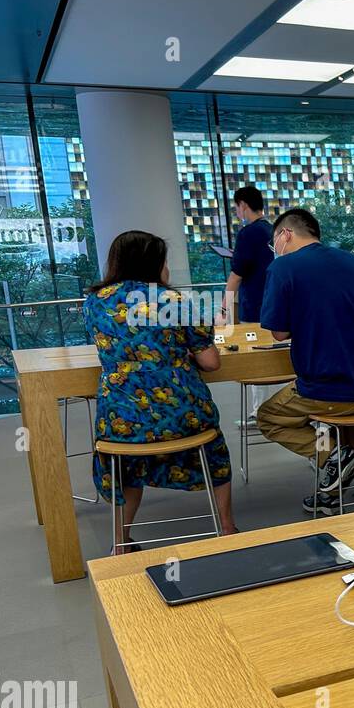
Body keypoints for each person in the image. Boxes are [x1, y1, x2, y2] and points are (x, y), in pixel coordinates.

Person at [86, 230, 237, 553]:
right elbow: (210, 363)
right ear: (153, 264)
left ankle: (120, 543)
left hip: (120, 419)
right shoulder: (176, 302)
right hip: (182, 416)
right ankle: (226, 529)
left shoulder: (95, 302)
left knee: (127, 464)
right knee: (215, 450)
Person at [256, 208, 354, 515]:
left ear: (285, 235)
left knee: (269, 417)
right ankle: (336, 482)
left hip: (327, 392)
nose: (274, 249)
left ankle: (332, 457)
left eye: (273, 242)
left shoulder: (284, 268)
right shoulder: (352, 262)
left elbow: (278, 332)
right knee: (339, 420)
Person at [223, 186, 273, 324]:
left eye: (236, 207)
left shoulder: (247, 233)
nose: (237, 212)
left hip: (254, 305)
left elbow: (236, 277)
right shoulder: (273, 230)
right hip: (275, 304)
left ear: (243, 205)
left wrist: (223, 310)